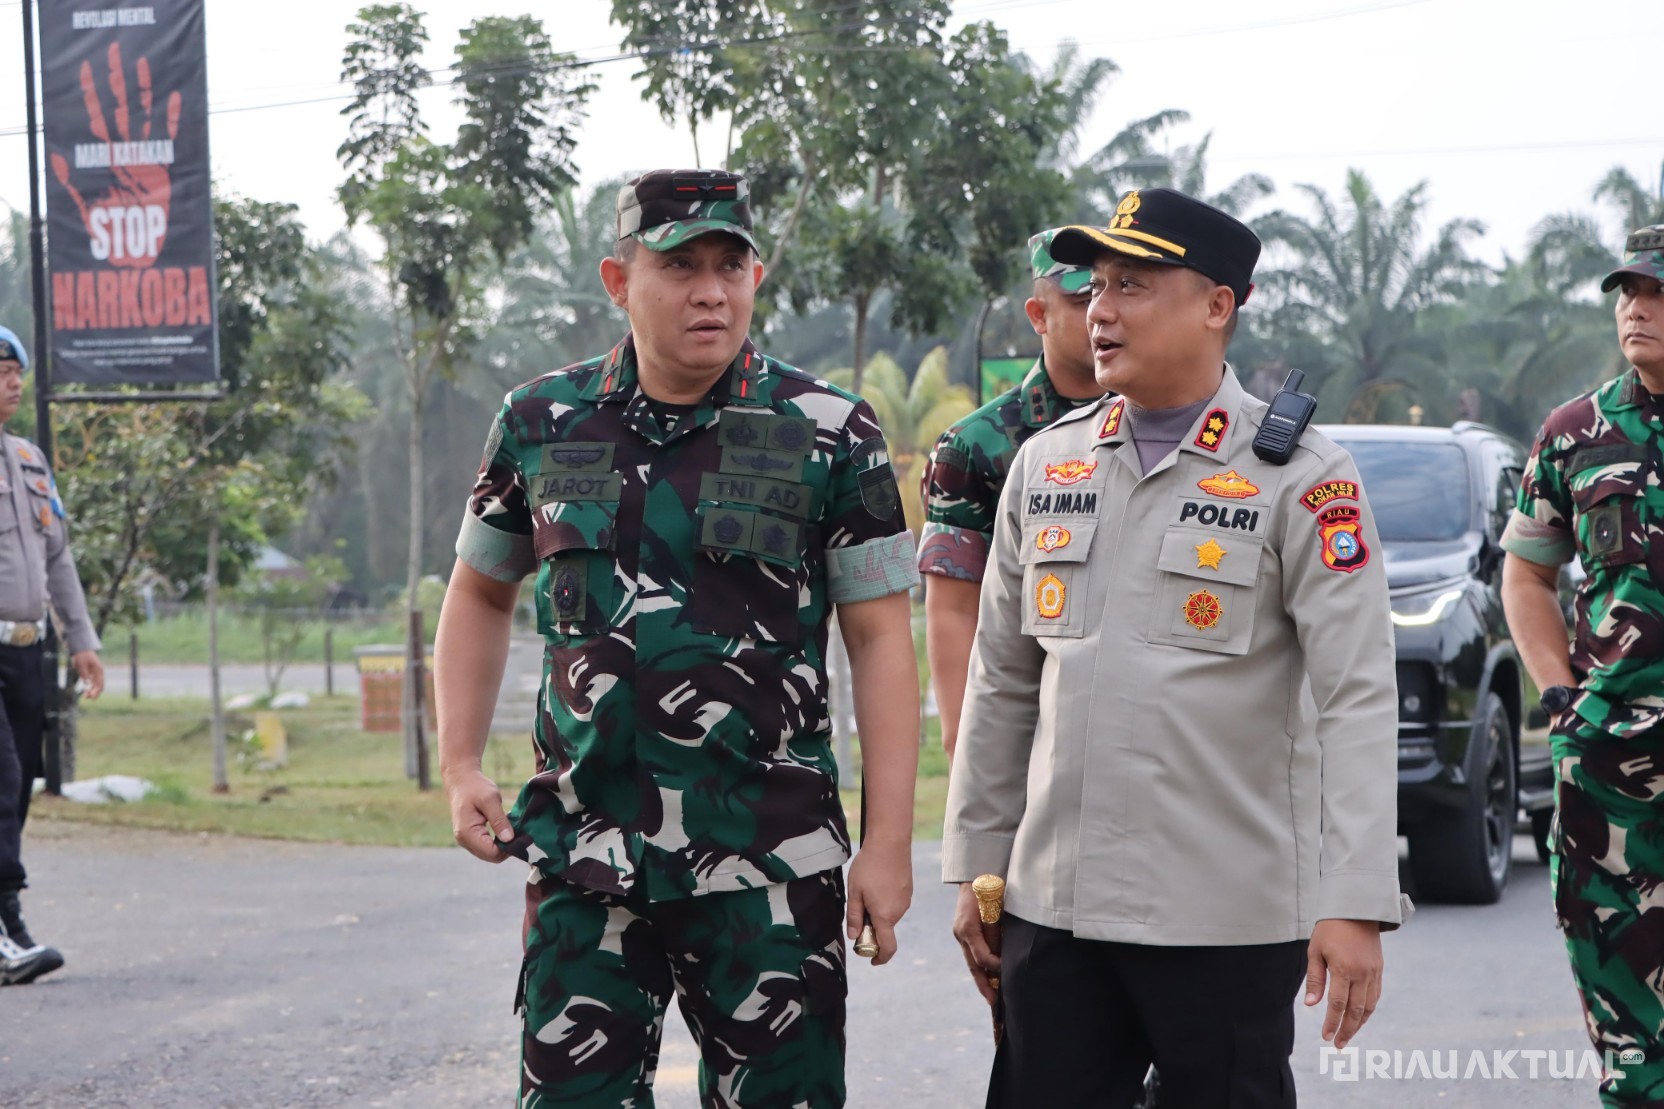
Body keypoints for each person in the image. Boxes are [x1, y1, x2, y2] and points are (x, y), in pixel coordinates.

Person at [434, 169, 920, 1108]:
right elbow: (480, 592)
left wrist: (888, 844)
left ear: (757, 274)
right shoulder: (543, 420)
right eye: (680, 265)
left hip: (770, 864)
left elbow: (880, 642)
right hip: (587, 855)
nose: (711, 290)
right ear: (620, 282)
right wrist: (459, 763)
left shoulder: (826, 430)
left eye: (730, 265)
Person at [941, 187, 1407, 1107]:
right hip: (1053, 908)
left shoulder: (1303, 478)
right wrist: (979, 868)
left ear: (1217, 305)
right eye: (1097, 285)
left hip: (1221, 918)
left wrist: (1352, 900)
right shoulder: (1047, 463)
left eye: (1135, 284)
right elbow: (1003, 681)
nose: (1102, 310)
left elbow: (1356, 694)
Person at [1499, 223, 1664, 1107]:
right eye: (1629, 291)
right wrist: (1558, 694)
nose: (1637, 307)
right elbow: (1526, 572)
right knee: (1630, 1035)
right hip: (1608, 774)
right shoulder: (1576, 433)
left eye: (1659, 292)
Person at [919, 229, 1102, 760]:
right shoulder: (975, 445)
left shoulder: (1157, 425)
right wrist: (962, 739)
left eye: (1115, 291)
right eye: (1081, 299)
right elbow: (953, 606)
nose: (1100, 312)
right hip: (1028, 726)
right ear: (1039, 316)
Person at [0, 323, 105, 986]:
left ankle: (6, 920)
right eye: (1, 372)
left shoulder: (30, 460)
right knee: (1, 780)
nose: (13, 383)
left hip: (25, 651)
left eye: (16, 374)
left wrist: (83, 639)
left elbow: (57, 557)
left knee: (21, 783)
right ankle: (6, 924)